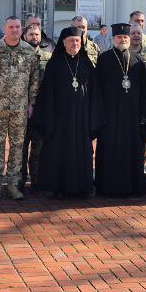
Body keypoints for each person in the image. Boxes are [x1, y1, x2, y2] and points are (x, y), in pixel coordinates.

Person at [34, 27, 102, 199]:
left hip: (81, 118)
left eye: (77, 41)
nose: (74, 44)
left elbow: (94, 92)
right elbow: (47, 93)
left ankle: (82, 187)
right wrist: (49, 117)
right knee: (58, 150)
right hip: (60, 119)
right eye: (71, 41)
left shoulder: (86, 63)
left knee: (82, 152)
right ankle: (57, 186)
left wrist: (93, 117)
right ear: (63, 43)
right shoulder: (54, 64)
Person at [0, 17, 40, 200]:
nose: (14, 30)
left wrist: (31, 104)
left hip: (20, 107)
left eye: (17, 27)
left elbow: (34, 80)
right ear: (4, 29)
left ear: (21, 29)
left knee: (17, 146)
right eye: (11, 27)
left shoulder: (28, 51)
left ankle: (13, 184)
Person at [94, 24, 146, 197]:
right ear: (113, 39)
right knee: (109, 149)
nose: (122, 40)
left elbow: (145, 91)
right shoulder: (104, 59)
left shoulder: (137, 61)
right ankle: (107, 187)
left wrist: (145, 116)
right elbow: (97, 89)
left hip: (132, 117)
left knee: (132, 151)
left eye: (125, 37)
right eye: (119, 37)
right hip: (110, 117)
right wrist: (99, 115)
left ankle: (133, 186)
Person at [22, 22, 53, 186]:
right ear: (25, 37)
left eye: (37, 35)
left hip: (41, 110)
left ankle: (37, 180)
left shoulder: (48, 58)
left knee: (39, 147)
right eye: (31, 35)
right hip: (21, 110)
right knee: (20, 147)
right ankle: (19, 180)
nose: (34, 37)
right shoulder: (19, 57)